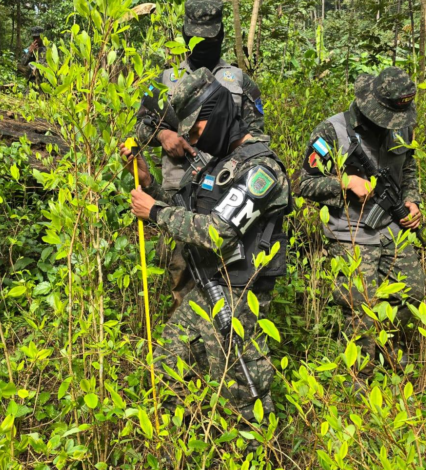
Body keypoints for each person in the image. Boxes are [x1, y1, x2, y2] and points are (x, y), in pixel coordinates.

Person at [122, 68, 289, 450]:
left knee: (243, 387)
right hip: (208, 286)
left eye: (196, 132)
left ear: (217, 113)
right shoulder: (216, 162)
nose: (195, 142)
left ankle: (262, 454)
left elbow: (216, 231)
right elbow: (188, 213)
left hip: (239, 293)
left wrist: (154, 213)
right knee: (169, 361)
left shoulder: (262, 170)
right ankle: (179, 449)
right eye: (190, 136)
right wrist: (149, 185)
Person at [296, 67, 425, 385]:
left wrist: (413, 201)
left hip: (392, 229)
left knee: (412, 294)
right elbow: (303, 184)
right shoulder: (332, 132)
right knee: (360, 307)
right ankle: (359, 382)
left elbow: (408, 168)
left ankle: (390, 358)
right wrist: (345, 181)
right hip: (351, 230)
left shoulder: (402, 128)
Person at [135, 0, 267, 306]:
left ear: (220, 35)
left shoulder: (239, 81)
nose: (203, 44)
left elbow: (256, 137)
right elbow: (140, 126)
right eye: (197, 37)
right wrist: (163, 134)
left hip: (229, 194)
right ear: (184, 34)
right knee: (183, 277)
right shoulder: (163, 81)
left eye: (210, 37)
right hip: (178, 195)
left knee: (231, 278)